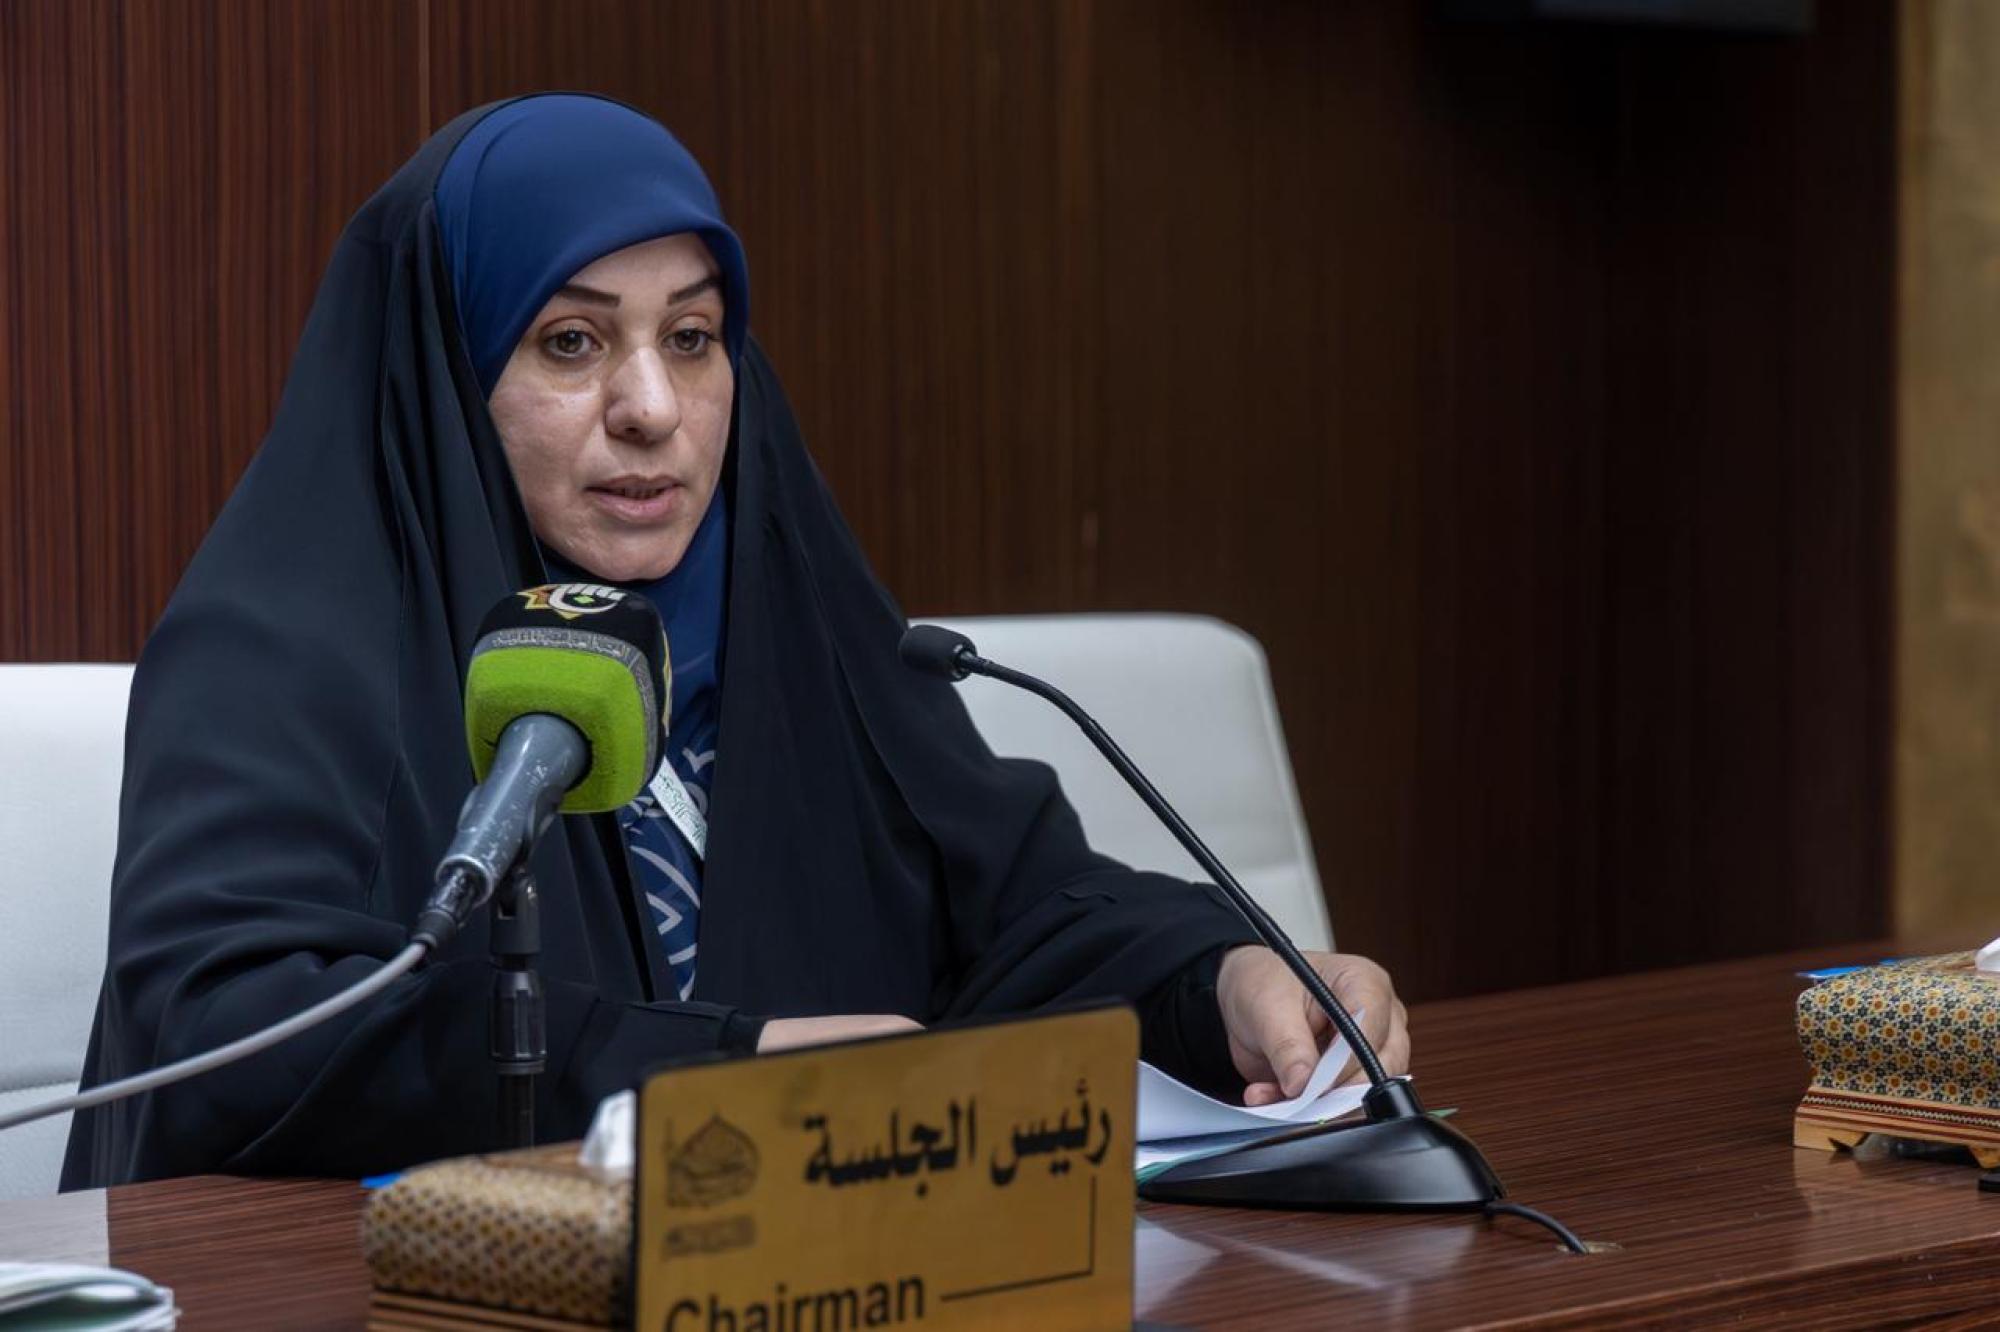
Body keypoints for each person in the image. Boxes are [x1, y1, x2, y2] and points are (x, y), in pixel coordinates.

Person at [61, 95, 1408, 1188]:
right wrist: (711, 1072)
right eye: (572, 341)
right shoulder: (277, 656)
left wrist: (1220, 978)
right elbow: (229, 1031)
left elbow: (1020, 923)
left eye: (694, 337)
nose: (653, 407)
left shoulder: (795, 621)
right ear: (450, 372)